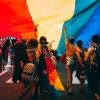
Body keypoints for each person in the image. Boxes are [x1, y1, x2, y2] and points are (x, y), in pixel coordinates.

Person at [84, 34, 100, 100]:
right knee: (96, 85)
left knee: (91, 86)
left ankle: (98, 97)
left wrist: (87, 53)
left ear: (92, 40)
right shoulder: (98, 48)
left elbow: (85, 60)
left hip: (93, 70)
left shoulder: (91, 49)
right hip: (99, 70)